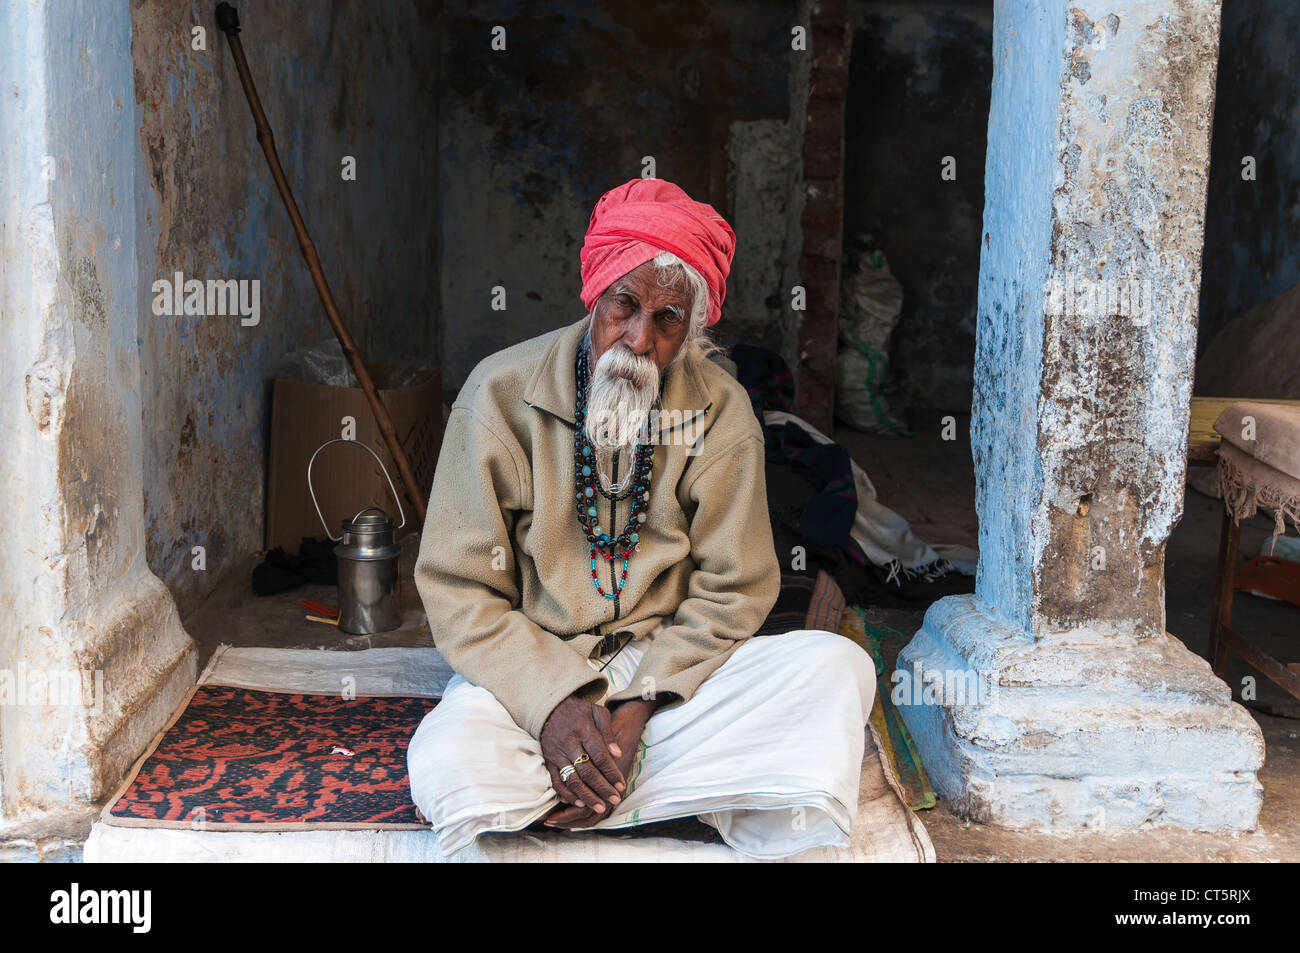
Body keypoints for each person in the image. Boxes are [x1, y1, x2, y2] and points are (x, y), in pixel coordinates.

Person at [408, 178, 876, 858]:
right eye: (624, 305)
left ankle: (592, 791)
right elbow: (460, 591)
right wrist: (553, 705)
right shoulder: (496, 394)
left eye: (668, 320)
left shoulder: (723, 411)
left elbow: (733, 589)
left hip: (673, 684)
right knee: (450, 761)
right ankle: (672, 797)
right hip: (537, 667)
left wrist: (635, 712)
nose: (639, 338)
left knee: (837, 670)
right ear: (594, 292)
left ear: (691, 327)